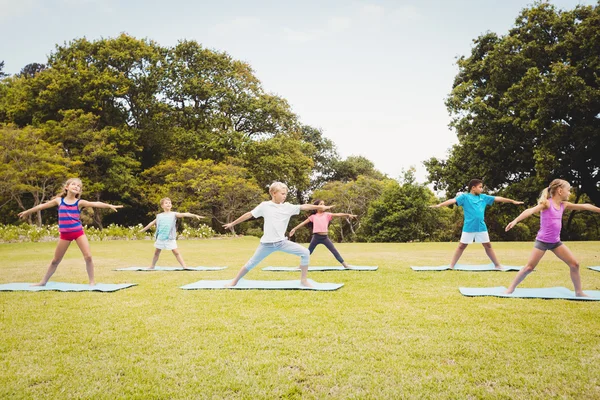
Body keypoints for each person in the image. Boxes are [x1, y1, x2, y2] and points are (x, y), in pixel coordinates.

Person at [222, 182, 332, 287]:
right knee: (251, 263)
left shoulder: (288, 207)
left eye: (286, 194)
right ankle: (234, 281)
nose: (285, 196)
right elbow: (249, 214)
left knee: (305, 253)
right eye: (282, 194)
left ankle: (303, 281)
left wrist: (319, 207)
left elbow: (304, 206)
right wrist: (233, 223)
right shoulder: (264, 206)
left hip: (282, 242)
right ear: (274, 193)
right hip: (266, 244)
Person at [17, 177, 122, 286]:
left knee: (88, 257)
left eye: (79, 186)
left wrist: (109, 205)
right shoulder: (59, 201)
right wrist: (27, 212)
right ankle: (43, 282)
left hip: (78, 232)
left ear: (79, 191)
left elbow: (95, 203)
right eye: (74, 184)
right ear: (67, 187)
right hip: (65, 235)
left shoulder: (79, 202)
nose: (76, 187)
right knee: (55, 260)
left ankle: (92, 282)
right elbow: (42, 206)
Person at [504, 179, 600, 296]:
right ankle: (510, 289)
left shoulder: (563, 205)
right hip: (542, 242)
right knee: (529, 267)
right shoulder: (546, 204)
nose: (569, 193)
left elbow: (585, 206)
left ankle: (579, 292)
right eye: (568, 190)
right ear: (560, 191)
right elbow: (530, 210)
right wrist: (515, 221)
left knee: (575, 264)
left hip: (556, 243)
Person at [430, 178, 523, 269]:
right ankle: (451, 265)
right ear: (473, 188)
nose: (481, 189)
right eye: (480, 187)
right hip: (469, 227)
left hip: (481, 227)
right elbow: (453, 200)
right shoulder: (464, 197)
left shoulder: (483, 197)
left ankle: (497, 265)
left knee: (488, 245)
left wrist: (512, 201)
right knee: (461, 246)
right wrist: (440, 205)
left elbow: (498, 198)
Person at [289, 199, 357, 268]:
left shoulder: (327, 215)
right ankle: (301, 266)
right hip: (316, 237)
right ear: (316, 207)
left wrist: (348, 215)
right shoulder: (313, 217)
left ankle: (345, 265)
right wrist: (294, 229)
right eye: (321, 204)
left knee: (334, 251)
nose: (323, 205)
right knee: (308, 252)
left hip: (325, 238)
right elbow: (303, 223)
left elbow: (338, 214)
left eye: (323, 204)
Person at [139, 197, 204, 270]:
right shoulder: (159, 216)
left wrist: (194, 215)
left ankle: (184, 266)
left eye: (169, 203)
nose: (168, 204)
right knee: (156, 253)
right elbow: (151, 223)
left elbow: (184, 214)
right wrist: (143, 230)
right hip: (160, 237)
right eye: (166, 203)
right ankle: (152, 266)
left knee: (176, 253)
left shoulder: (174, 214)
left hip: (170, 238)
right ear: (162, 206)